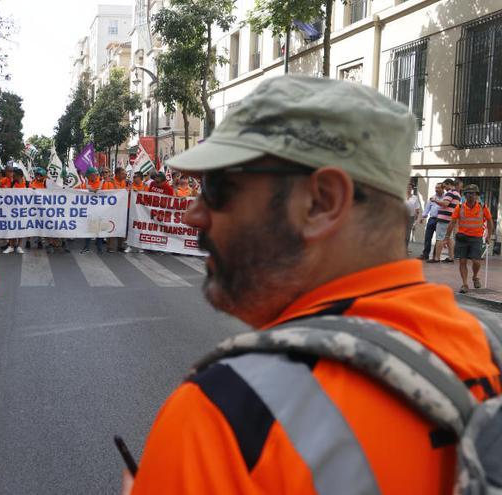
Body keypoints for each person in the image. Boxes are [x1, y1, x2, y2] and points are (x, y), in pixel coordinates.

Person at [123, 76, 500, 495]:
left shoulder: (225, 418)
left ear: (320, 202)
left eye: (216, 188)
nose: (193, 214)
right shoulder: (489, 348)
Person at [446, 184, 495, 293]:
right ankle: (464, 284)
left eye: (473, 193)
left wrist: (489, 236)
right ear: (465, 195)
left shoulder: (483, 207)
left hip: (476, 238)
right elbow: (452, 222)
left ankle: (475, 276)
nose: (470, 195)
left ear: (476, 195)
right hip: (462, 237)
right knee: (462, 261)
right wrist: (447, 236)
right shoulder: (459, 207)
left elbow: (490, 222)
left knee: (476, 261)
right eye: (468, 193)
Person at [433, 178, 462, 263]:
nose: (444, 188)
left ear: (449, 184)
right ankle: (451, 257)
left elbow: (445, 204)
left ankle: (437, 258)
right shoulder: (457, 194)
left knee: (439, 238)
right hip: (451, 219)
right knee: (450, 239)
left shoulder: (450, 192)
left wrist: (435, 200)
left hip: (444, 219)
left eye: (445, 186)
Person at [80, 167, 104, 254]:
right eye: (93, 175)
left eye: (96, 175)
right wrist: (90, 189)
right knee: (88, 229)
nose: (95, 176)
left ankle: (100, 247)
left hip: (99, 210)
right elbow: (81, 192)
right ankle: (86, 247)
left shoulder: (101, 182)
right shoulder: (84, 184)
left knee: (99, 229)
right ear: (88, 176)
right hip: (88, 210)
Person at [3, 169, 27, 254]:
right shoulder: (12, 183)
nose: (13, 177)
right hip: (12, 210)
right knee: (11, 227)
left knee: (20, 228)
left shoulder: (27, 184)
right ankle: (11, 246)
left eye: (15, 175)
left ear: (20, 176)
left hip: (22, 211)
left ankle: (19, 246)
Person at [419, 182, 444, 260]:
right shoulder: (432, 198)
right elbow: (427, 209)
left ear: (443, 189)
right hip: (432, 220)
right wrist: (423, 217)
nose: (436, 189)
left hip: (441, 220)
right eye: (436, 188)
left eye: (438, 188)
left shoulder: (446, 198)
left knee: (438, 239)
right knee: (427, 237)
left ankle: (435, 256)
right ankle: (425, 254)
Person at [405, 183, 421, 251]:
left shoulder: (415, 197)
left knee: (407, 234)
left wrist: (416, 219)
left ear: (412, 189)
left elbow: (417, 209)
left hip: (410, 217)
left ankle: (405, 248)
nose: (408, 188)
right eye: (407, 187)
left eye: (410, 187)